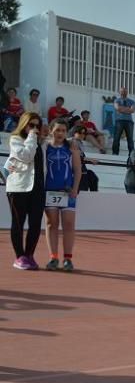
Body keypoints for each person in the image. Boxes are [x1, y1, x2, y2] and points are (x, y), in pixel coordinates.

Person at [6, 113, 47, 269]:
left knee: (35, 224)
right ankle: (19, 256)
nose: (35, 129)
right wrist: (31, 137)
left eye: (38, 126)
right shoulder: (16, 140)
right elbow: (26, 156)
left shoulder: (41, 142)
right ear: (24, 124)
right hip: (18, 188)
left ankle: (29, 255)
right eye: (32, 125)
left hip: (38, 188)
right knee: (18, 223)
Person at [42, 121, 82, 271]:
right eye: (58, 130)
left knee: (69, 224)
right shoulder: (44, 147)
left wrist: (75, 189)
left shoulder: (71, 147)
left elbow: (77, 170)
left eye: (63, 130)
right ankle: (53, 257)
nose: (60, 133)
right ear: (51, 131)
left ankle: (67, 259)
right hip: (49, 190)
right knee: (51, 224)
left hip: (68, 191)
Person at [71, 126, 101, 192]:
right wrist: (90, 160)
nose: (82, 135)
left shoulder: (79, 143)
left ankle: (93, 196)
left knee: (93, 177)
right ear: (74, 133)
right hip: (75, 172)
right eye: (80, 133)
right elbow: (77, 157)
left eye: (84, 133)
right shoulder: (72, 142)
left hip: (81, 171)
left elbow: (81, 156)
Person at [111, 87, 135, 155]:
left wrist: (122, 109)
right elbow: (117, 108)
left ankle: (131, 154)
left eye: (125, 91)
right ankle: (115, 153)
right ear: (120, 92)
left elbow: (132, 110)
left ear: (127, 92)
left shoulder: (131, 101)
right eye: (122, 91)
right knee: (116, 137)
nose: (124, 92)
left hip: (129, 121)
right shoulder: (117, 100)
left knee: (130, 138)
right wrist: (128, 109)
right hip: (119, 120)